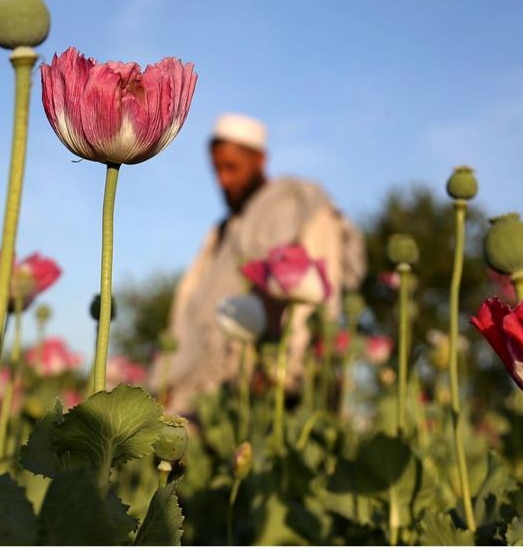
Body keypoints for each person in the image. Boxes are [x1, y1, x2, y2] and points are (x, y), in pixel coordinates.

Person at [155, 113, 366, 411]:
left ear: (260, 160)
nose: (222, 180)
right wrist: (169, 375)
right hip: (206, 389)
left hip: (270, 386)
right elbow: (187, 307)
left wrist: (283, 372)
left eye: (231, 168)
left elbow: (318, 297)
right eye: (215, 169)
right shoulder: (222, 232)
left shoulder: (301, 207)